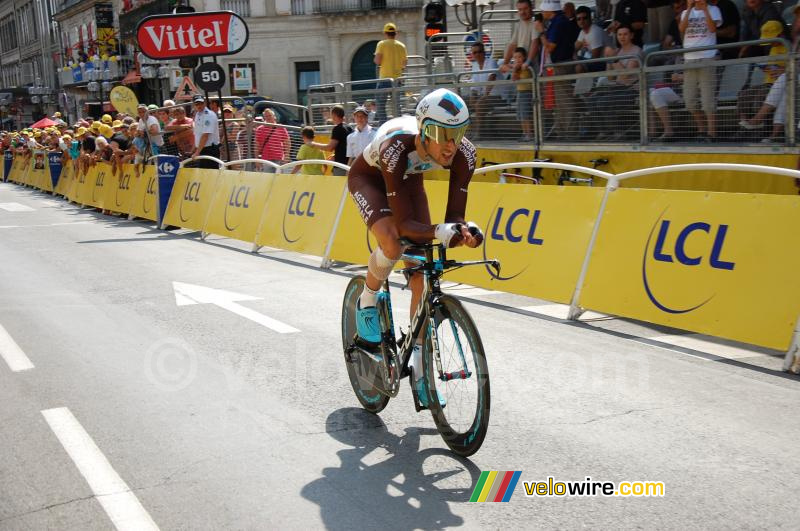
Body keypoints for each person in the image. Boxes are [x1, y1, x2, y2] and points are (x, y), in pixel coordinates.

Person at [347, 88, 483, 409]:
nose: (451, 145)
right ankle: (367, 300)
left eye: (458, 134)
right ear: (424, 130)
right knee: (393, 242)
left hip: (408, 181)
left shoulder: (465, 153)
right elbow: (406, 224)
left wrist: (464, 231)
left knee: (421, 276)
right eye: (443, 135)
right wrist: (439, 230)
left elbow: (454, 217)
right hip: (372, 180)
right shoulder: (396, 147)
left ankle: (421, 371)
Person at [679, 0, 723, 141]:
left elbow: (712, 29)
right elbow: (682, 29)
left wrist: (705, 10)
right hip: (689, 59)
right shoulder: (685, 12)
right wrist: (689, 8)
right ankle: (702, 129)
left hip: (707, 57)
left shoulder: (714, 9)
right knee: (689, 100)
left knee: (708, 99)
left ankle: (712, 133)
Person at [537, 0, 580, 140]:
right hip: (560, 64)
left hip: (561, 65)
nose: (542, 13)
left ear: (550, 10)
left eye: (543, 10)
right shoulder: (560, 21)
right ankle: (562, 132)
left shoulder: (559, 23)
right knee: (560, 101)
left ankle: (569, 133)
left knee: (564, 100)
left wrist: (541, 32)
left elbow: (550, 47)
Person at [374, 22, 407, 122]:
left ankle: (383, 124)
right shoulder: (402, 46)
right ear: (395, 33)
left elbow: (377, 61)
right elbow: (404, 64)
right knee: (397, 105)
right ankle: (398, 124)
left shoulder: (381, 44)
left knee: (380, 105)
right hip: (397, 80)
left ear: (385, 33)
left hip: (385, 79)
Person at [306, 105, 351, 176]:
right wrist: (336, 155)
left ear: (334, 115)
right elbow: (345, 146)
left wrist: (313, 144)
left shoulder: (337, 129)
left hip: (341, 166)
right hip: (349, 164)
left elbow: (329, 147)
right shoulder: (349, 128)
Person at [467, 41, 499, 138]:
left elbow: (492, 78)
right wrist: (473, 96)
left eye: (479, 52)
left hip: (497, 97)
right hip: (485, 96)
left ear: (484, 52)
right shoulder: (475, 66)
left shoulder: (491, 62)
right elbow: (474, 85)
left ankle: (478, 134)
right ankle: (468, 133)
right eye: (474, 52)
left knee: (479, 104)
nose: (477, 54)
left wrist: (484, 96)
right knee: (463, 103)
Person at [501, 0, 541, 74]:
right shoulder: (519, 23)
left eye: (525, 8)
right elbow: (512, 45)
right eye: (520, 9)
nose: (522, 12)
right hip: (521, 67)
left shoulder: (535, 22)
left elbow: (535, 43)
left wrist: (527, 62)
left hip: (531, 68)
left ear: (531, 8)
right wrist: (505, 63)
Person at [254, 108, 290, 172]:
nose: (268, 117)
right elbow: (257, 145)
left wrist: (286, 155)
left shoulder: (281, 127)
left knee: (279, 177)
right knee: (268, 177)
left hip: (279, 158)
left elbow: (287, 142)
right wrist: (257, 160)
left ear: (274, 116)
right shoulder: (259, 129)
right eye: (266, 116)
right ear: (264, 118)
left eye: (270, 115)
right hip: (266, 159)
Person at [190, 94, 221, 169]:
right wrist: (194, 150)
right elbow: (197, 134)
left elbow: (205, 135)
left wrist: (197, 152)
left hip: (210, 149)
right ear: (194, 105)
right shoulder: (198, 114)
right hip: (202, 149)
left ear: (205, 103)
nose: (199, 106)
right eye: (197, 104)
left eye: (201, 103)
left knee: (211, 173)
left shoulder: (209, 115)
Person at [511, 47, 535, 142]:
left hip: (527, 92)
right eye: (515, 57)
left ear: (524, 57)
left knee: (526, 114)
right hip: (520, 92)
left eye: (520, 57)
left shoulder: (526, 67)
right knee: (521, 115)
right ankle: (524, 133)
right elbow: (514, 78)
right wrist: (515, 69)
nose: (517, 59)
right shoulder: (517, 69)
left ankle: (529, 134)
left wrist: (517, 68)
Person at [575, 6, 608, 72]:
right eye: (579, 19)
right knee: (568, 60)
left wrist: (576, 60)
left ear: (590, 18)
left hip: (604, 63)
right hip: (594, 61)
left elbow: (595, 59)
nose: (581, 21)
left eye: (584, 18)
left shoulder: (595, 32)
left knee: (578, 67)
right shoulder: (582, 32)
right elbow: (574, 49)